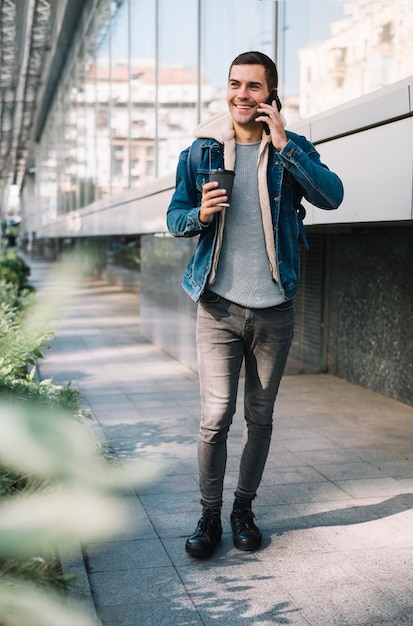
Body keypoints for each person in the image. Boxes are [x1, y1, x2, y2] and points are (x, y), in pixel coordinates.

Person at [166, 51, 344, 558]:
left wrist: (285, 146)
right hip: (218, 307)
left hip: (274, 309)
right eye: (234, 84)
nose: (242, 94)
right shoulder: (200, 152)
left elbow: (332, 196)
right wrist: (197, 214)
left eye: (253, 87)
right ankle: (209, 514)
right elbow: (174, 215)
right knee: (214, 418)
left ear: (271, 95)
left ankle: (243, 508)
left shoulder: (293, 147)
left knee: (260, 417)